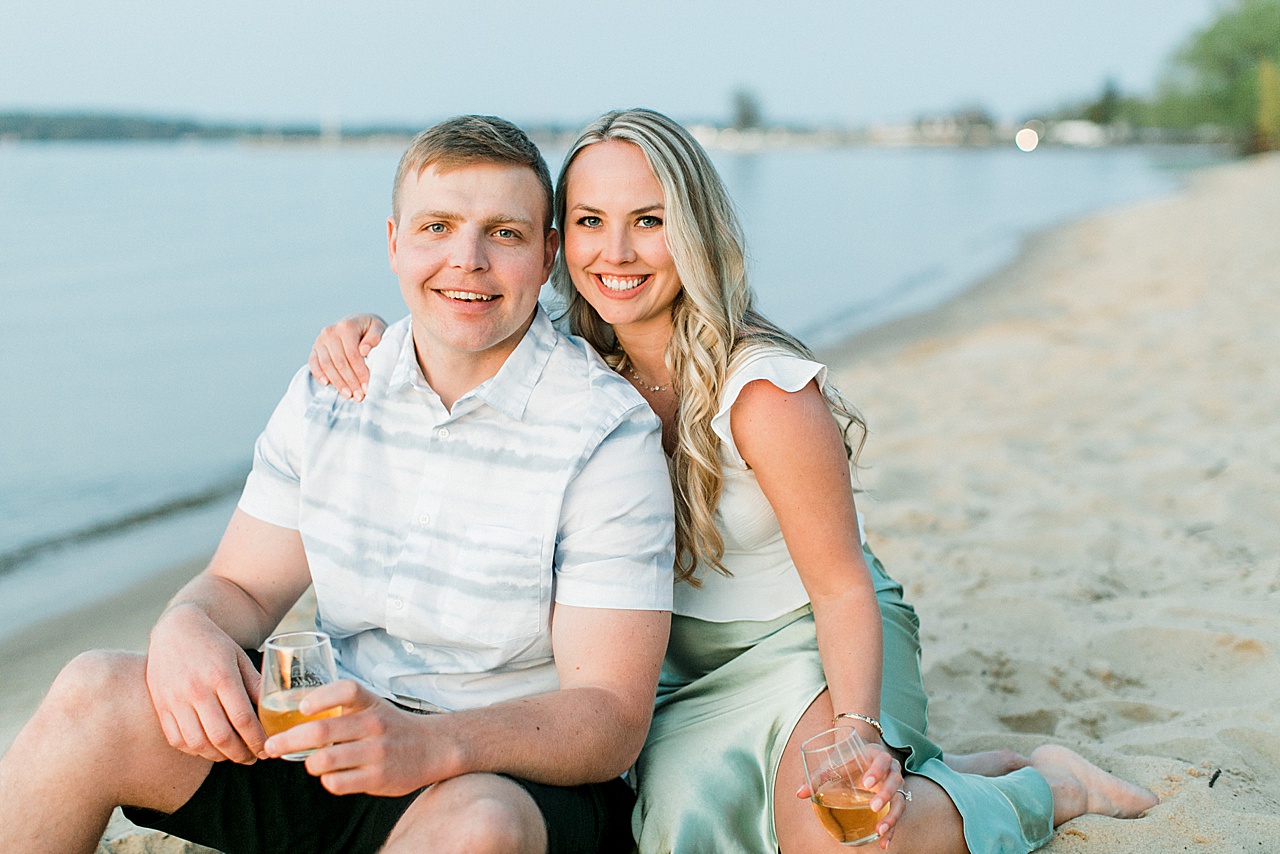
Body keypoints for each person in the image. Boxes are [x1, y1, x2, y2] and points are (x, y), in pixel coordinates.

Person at [311, 108, 1162, 853]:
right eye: (589, 221)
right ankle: (953, 773)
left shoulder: (762, 393)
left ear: (697, 230)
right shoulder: (565, 370)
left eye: (649, 221)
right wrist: (361, 336)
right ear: (552, 242)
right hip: (667, 672)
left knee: (843, 835)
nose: (615, 252)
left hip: (806, 644)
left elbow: (840, 589)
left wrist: (857, 733)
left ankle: (1048, 787)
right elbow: (453, 316)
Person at [0, 115, 678, 854]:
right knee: (92, 692)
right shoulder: (333, 389)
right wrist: (187, 625)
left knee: (478, 828)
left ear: (548, 254)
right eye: (437, 227)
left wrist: (429, 744)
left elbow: (610, 715)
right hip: (329, 737)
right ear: (394, 244)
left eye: (504, 234)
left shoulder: (604, 431)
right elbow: (242, 587)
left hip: (504, 770)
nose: (467, 260)